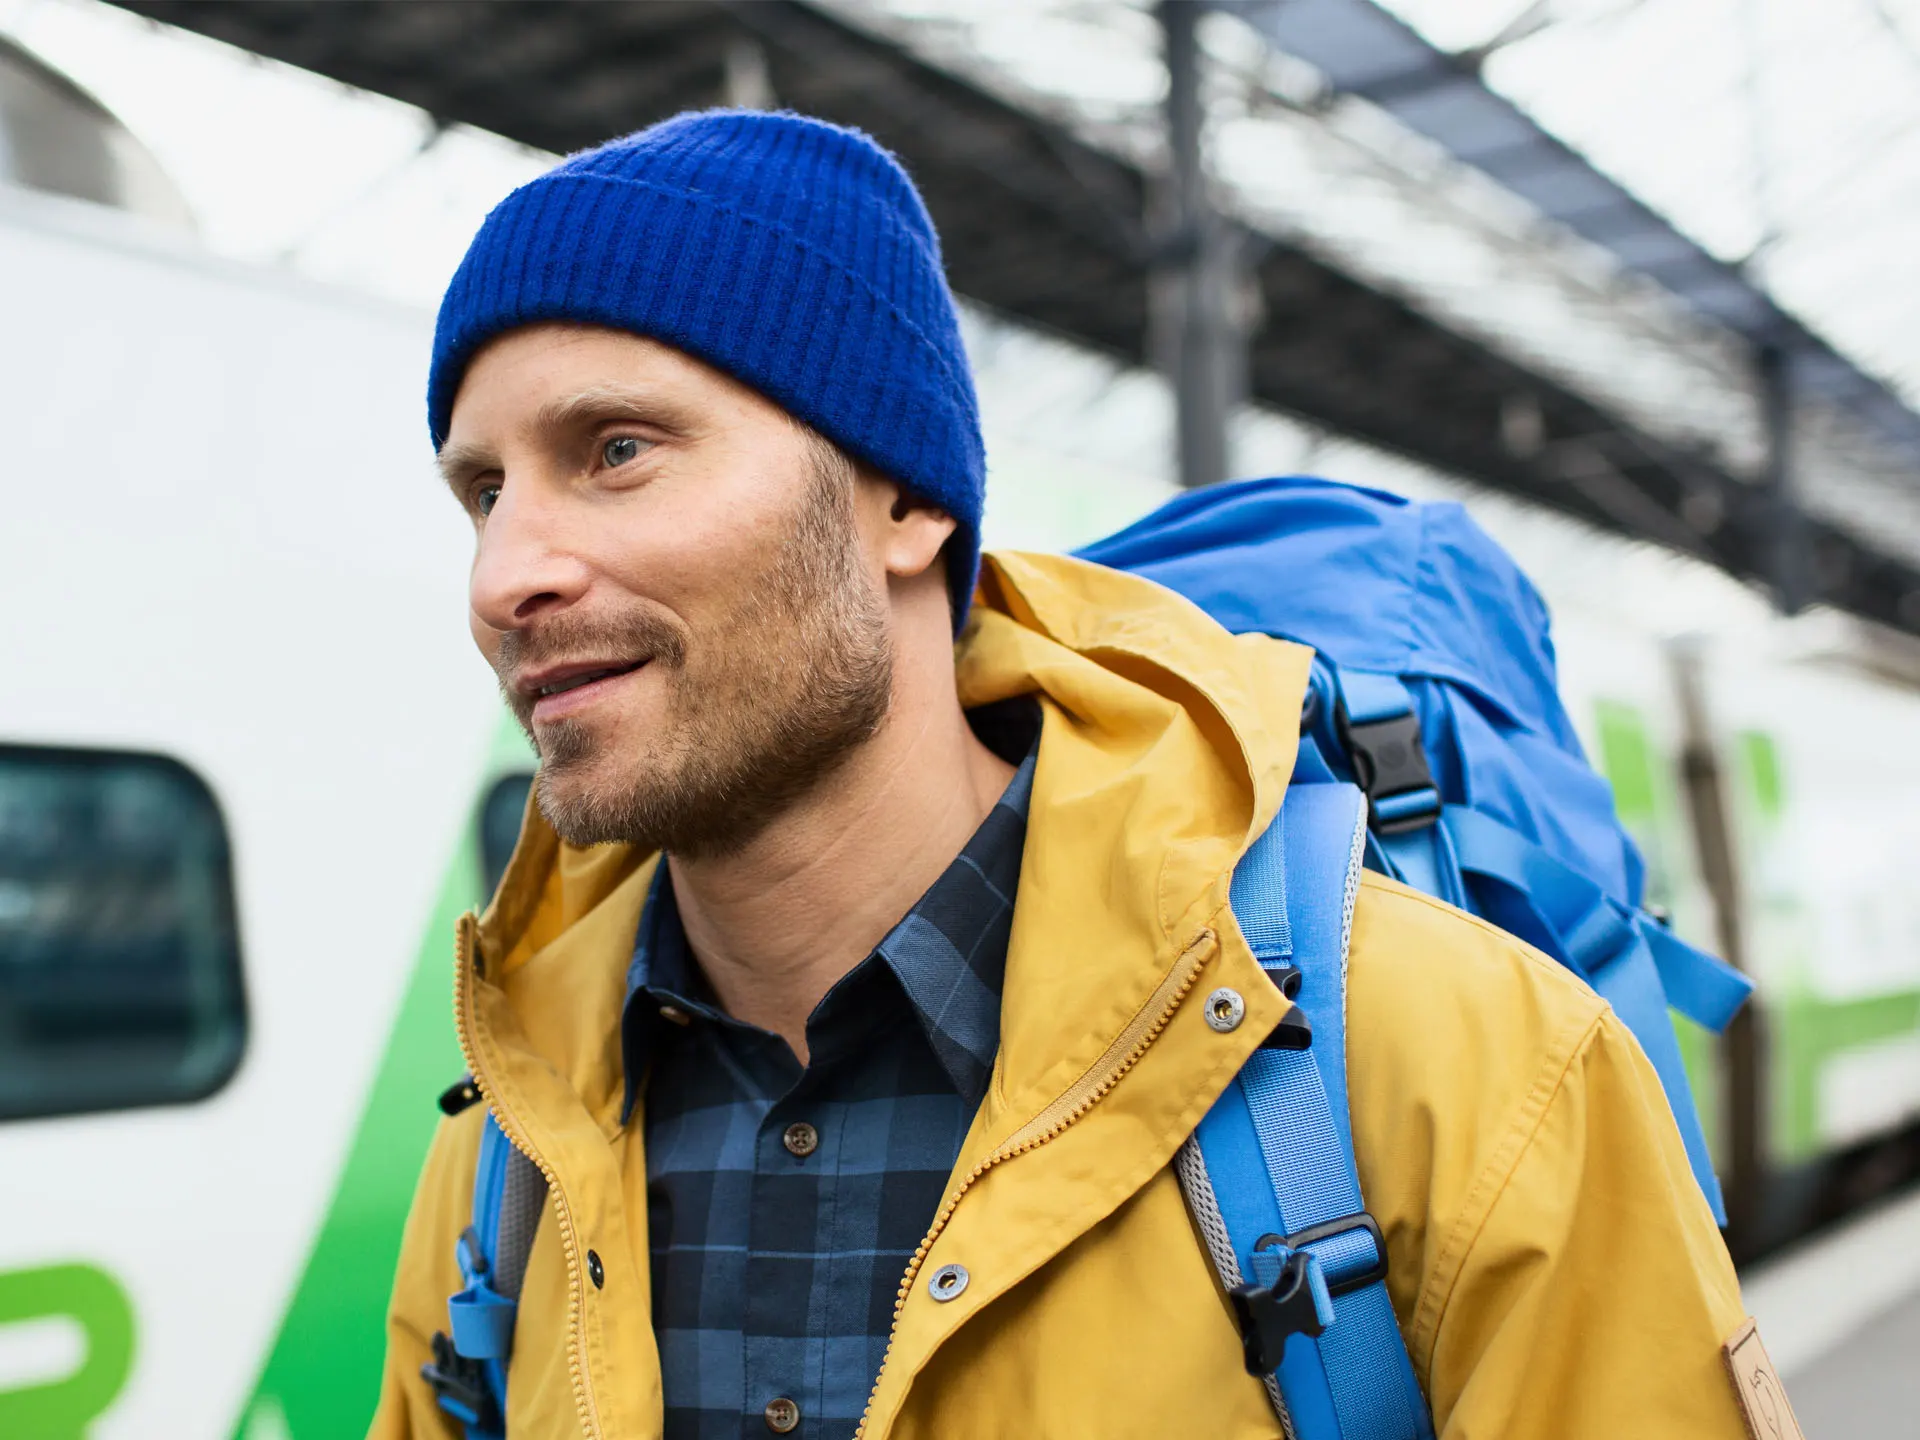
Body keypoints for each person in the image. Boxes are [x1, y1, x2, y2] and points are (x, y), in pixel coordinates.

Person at [371, 110, 1762, 1440]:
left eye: (616, 451)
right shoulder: (505, 1164)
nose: (504, 579)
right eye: (484, 493)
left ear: (906, 502)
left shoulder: (1456, 1067)